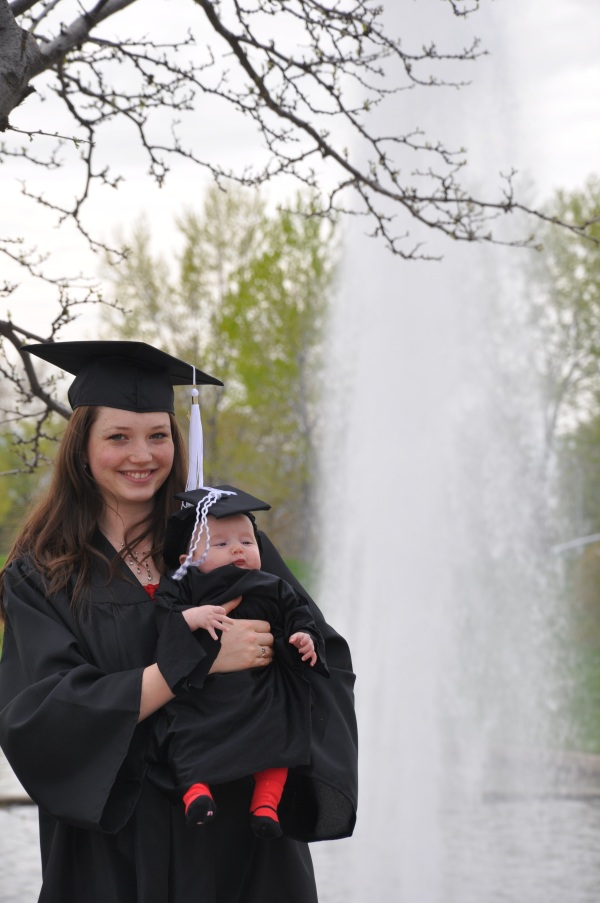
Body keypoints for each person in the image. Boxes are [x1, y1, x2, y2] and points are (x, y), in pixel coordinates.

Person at [0, 340, 358, 903]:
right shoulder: (42, 574)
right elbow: (42, 715)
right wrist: (195, 664)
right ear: (82, 449)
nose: (141, 455)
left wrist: (286, 653)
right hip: (112, 846)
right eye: (118, 437)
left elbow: (326, 660)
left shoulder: (225, 541)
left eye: (158, 436)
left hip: (240, 834)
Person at [152, 485, 329, 839]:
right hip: (204, 695)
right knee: (183, 735)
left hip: (261, 693)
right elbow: (162, 620)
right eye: (220, 544)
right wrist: (192, 617)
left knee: (283, 735)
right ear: (189, 558)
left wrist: (304, 637)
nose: (237, 549)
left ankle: (266, 804)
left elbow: (298, 613)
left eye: (247, 542)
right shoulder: (183, 587)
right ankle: (196, 794)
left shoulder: (271, 584)